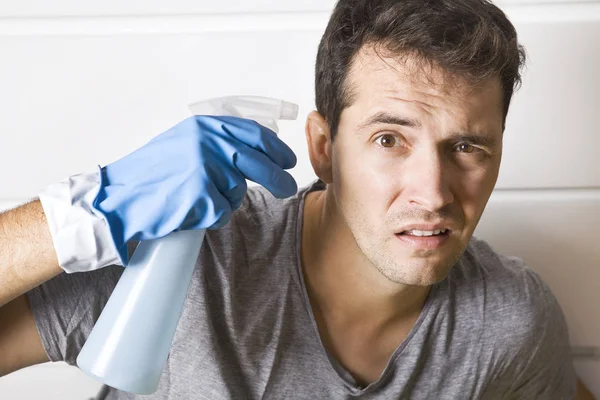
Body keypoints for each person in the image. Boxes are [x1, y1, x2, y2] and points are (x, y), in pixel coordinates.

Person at [0, 0, 595, 399]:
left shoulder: (506, 320)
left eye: (467, 146)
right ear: (323, 148)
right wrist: (88, 212)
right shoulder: (187, 256)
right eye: (389, 139)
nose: (433, 193)